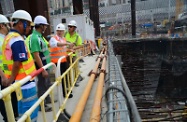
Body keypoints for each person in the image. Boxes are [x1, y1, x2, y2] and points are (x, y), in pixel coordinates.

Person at [1, 10, 38, 121]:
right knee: (30, 112)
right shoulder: (17, 39)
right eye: (28, 25)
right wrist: (10, 80)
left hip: (19, 83)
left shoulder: (9, 37)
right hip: (25, 83)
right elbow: (17, 63)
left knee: (23, 112)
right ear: (21, 23)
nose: (30, 28)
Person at [29, 15, 52, 111]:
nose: (46, 27)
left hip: (45, 64)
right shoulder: (35, 38)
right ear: (40, 26)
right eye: (45, 25)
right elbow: (36, 55)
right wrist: (42, 70)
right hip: (41, 66)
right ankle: (42, 105)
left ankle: (46, 99)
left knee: (46, 84)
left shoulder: (40, 37)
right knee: (41, 85)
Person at [49, 23, 74, 98]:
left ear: (64, 32)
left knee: (66, 76)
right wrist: (67, 44)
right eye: (58, 31)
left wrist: (70, 49)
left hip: (64, 61)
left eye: (61, 31)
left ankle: (67, 90)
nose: (59, 32)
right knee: (60, 79)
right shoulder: (53, 39)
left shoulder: (63, 39)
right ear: (56, 31)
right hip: (56, 62)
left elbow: (64, 49)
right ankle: (63, 93)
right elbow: (56, 44)